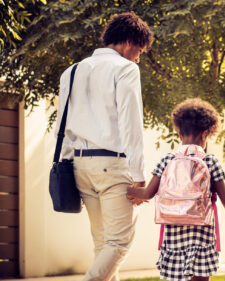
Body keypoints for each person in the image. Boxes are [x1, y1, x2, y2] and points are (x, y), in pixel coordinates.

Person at [54, 12, 153, 281]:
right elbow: (131, 125)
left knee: (103, 244)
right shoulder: (125, 69)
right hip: (113, 165)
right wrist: (139, 177)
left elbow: (61, 126)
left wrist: (65, 164)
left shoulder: (71, 71)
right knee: (119, 244)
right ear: (128, 41)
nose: (138, 57)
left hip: (79, 166)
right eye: (140, 50)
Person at [127, 98, 225, 281]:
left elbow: (146, 194)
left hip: (174, 237)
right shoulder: (210, 161)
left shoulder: (167, 160)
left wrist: (120, 189)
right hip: (202, 236)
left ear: (178, 134)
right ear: (205, 133)